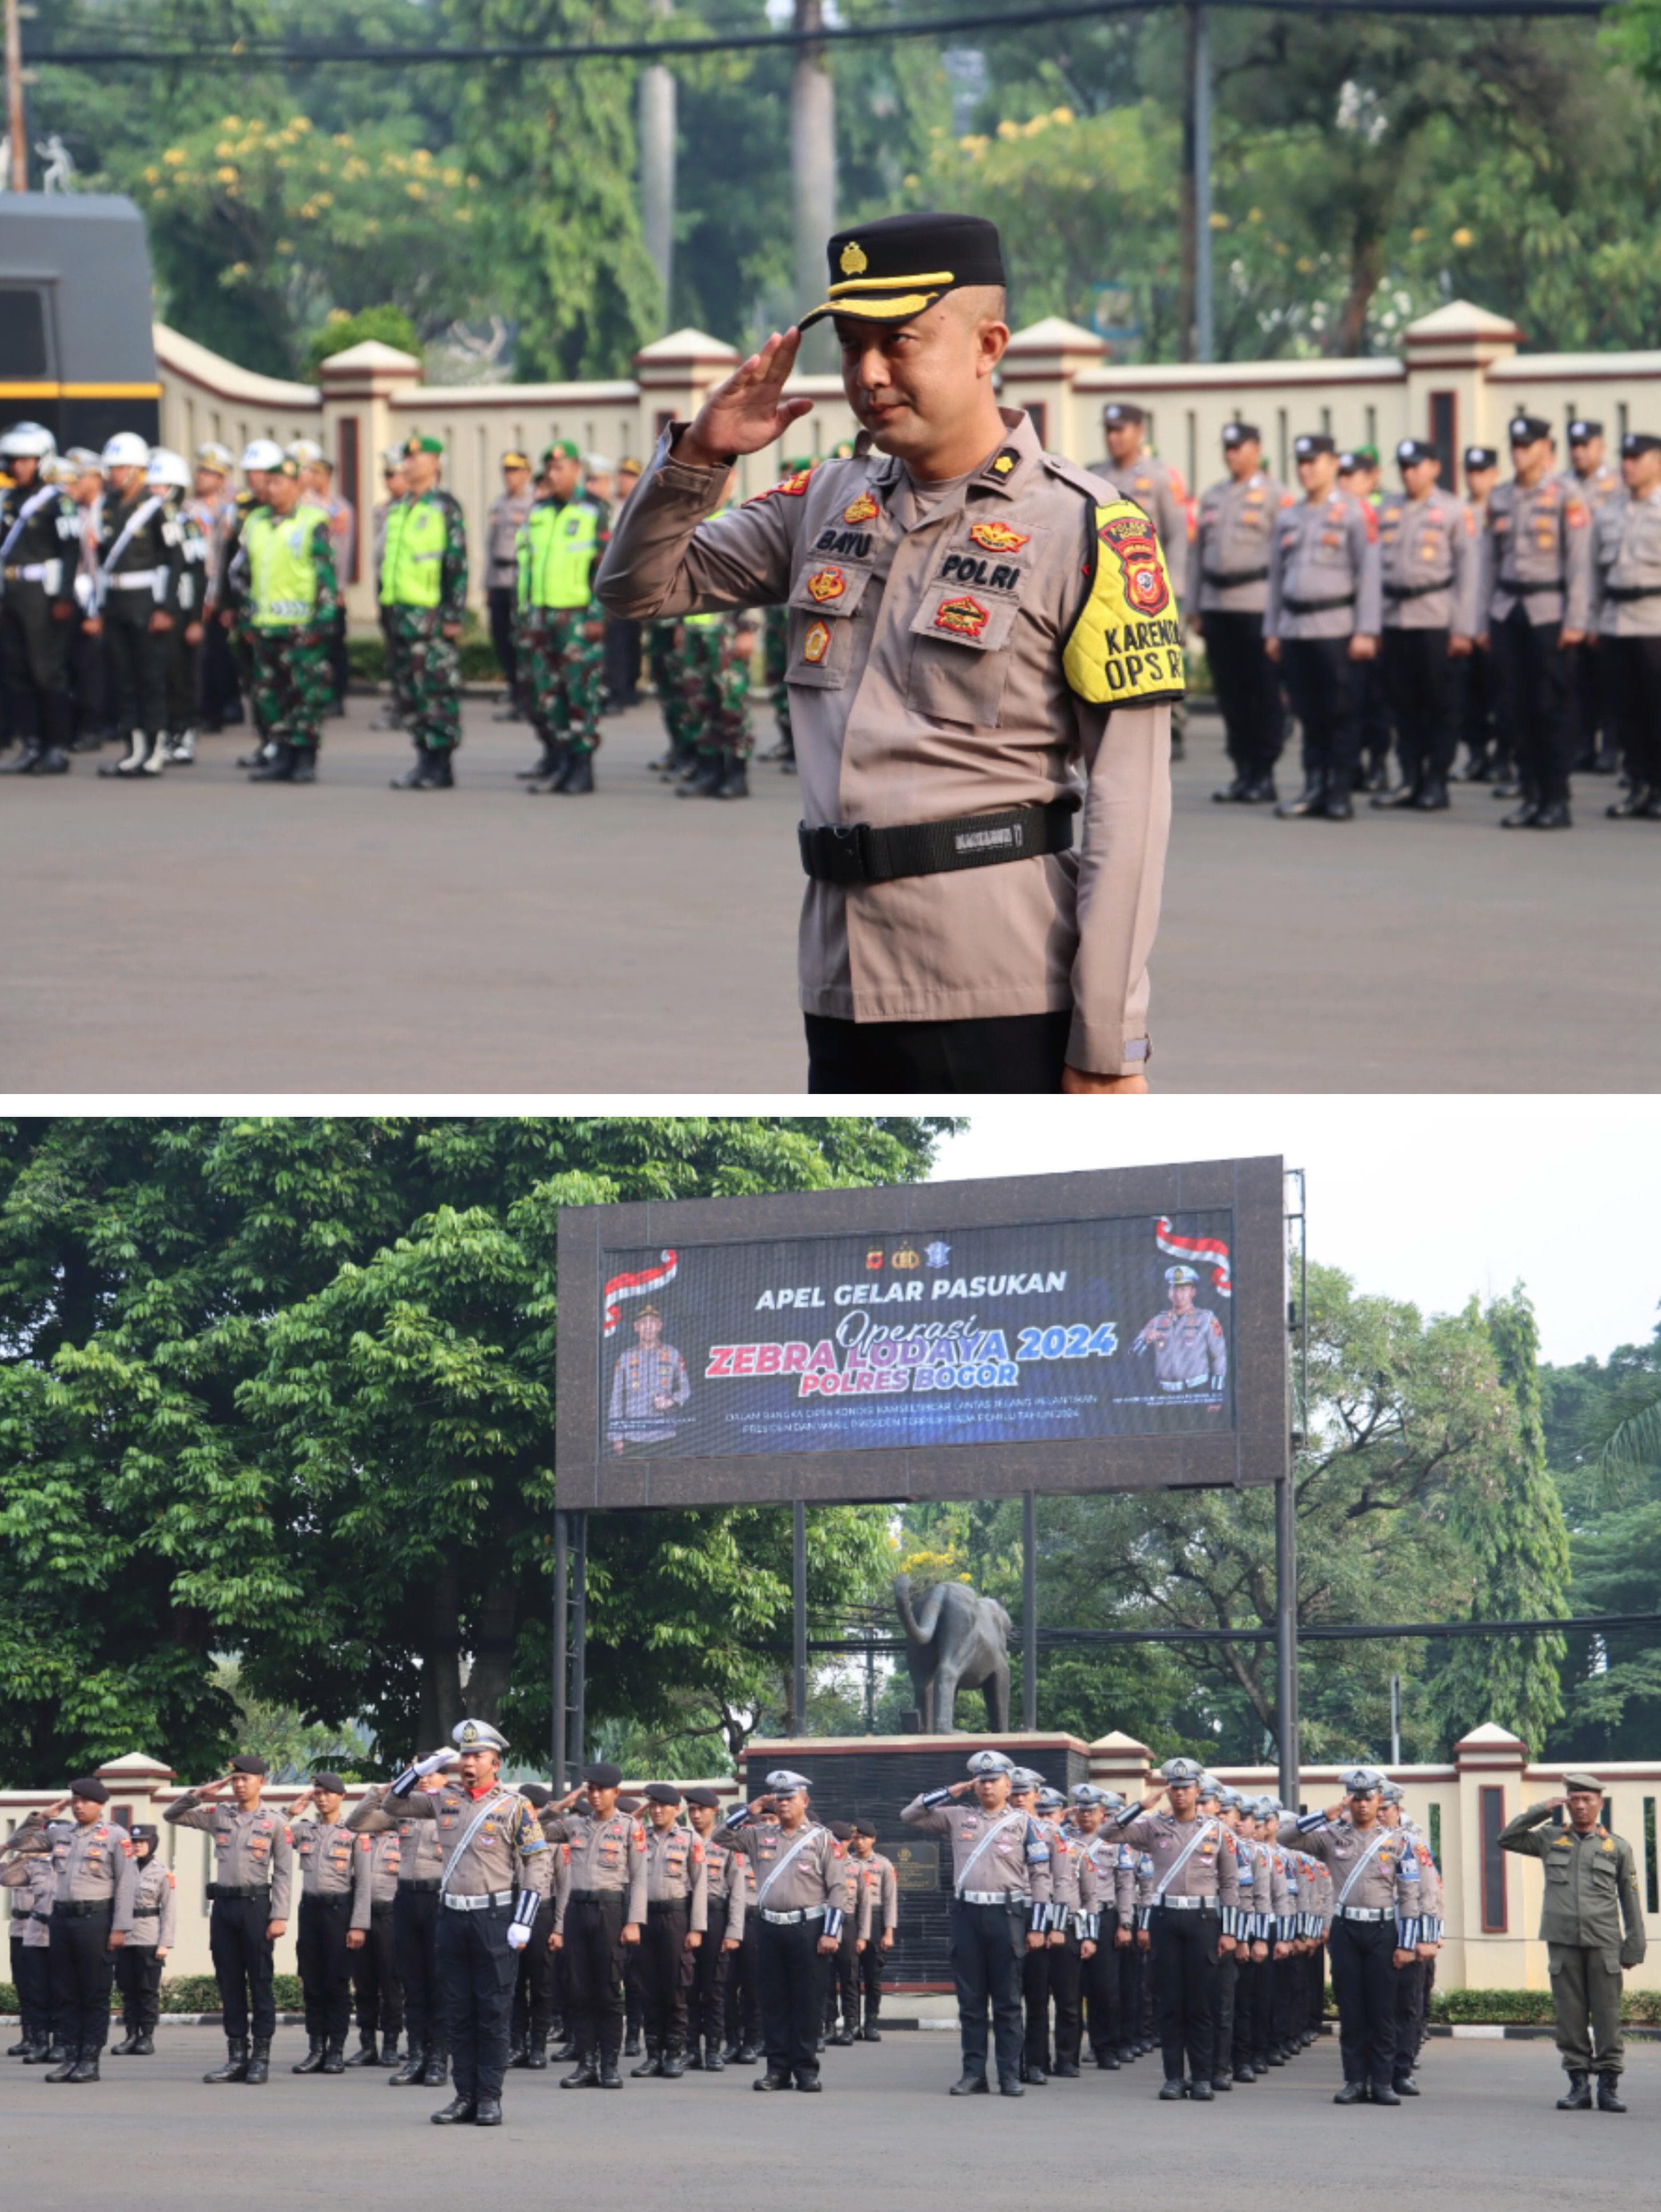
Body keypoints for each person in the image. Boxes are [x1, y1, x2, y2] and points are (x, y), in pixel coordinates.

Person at [597, 211, 1178, 1097]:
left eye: (899, 343)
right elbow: (639, 589)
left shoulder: (1088, 527)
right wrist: (701, 454)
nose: (869, 374)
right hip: (841, 978)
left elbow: (1131, 807)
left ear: (988, 345)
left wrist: (1107, 1042)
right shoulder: (825, 500)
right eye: (854, 346)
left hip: (1000, 979)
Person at [383, 1717, 552, 2126]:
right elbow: (392, 1805)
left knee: (493, 2011)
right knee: (457, 2010)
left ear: (496, 1763)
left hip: (495, 1917)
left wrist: (525, 1919)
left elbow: (537, 1861)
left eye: (478, 1756)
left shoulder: (514, 1806)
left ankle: (490, 2098)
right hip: (452, 1916)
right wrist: (418, 1772)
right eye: (465, 1755)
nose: (469, 1763)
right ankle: (464, 2096)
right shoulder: (444, 1798)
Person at [901, 1748, 1052, 2097]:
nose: (986, 1787)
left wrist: (1037, 1926)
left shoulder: (1026, 1824)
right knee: (971, 2002)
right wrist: (954, 1790)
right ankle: (973, 2074)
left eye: (993, 1780)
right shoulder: (957, 1817)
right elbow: (910, 1815)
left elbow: (1041, 1877)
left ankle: (1010, 2075)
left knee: (1008, 2001)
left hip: (1007, 1914)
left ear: (1007, 1785)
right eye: (981, 1781)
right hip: (967, 1914)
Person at [1499, 1771, 1646, 2111]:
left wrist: (1634, 1944)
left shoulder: (1617, 1847)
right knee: (1570, 2016)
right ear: (1567, 1803)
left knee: (1608, 2015)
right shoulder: (1550, 1839)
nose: (1580, 1806)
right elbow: (1506, 1838)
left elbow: (1631, 1898)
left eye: (1587, 1800)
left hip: (1604, 1941)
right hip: (1563, 1941)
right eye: (1574, 1799)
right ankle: (1578, 2085)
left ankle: (1609, 2086)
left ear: (1600, 1804)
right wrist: (1541, 1810)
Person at [1477, 416, 1593, 829]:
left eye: (1528, 445)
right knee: (1516, 708)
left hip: (1549, 611)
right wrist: (1481, 620)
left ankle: (1556, 797)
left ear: (1547, 449)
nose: (1520, 452)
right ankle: (1530, 795)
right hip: (1509, 610)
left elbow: (1580, 563)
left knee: (1552, 706)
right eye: (1515, 445)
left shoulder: (1567, 495)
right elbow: (1487, 563)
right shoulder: (1501, 497)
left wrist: (1576, 619)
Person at [1283, 1765, 1421, 2105]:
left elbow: (1410, 1895)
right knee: (1352, 2008)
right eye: (1356, 1799)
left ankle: (1384, 2082)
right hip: (1346, 1929)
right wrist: (1324, 1814)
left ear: (1379, 1802)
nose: (1362, 1805)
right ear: (1349, 1802)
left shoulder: (1398, 1841)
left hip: (1383, 1930)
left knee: (1383, 2008)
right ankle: (1355, 2081)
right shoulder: (1331, 1837)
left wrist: (1408, 1943)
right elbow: (1286, 1838)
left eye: (1369, 1799)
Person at [1108, 1756, 1241, 2100]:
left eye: (1186, 1788)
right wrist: (1142, 1805)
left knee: (1201, 2002)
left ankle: (1201, 2077)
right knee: (1169, 2001)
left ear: (1198, 1790)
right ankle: (1172, 2077)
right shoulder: (1154, 1827)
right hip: (1166, 1920)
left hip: (1203, 1920)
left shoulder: (1217, 1831)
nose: (1180, 1794)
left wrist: (1230, 1931)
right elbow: (1109, 1832)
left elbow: (1230, 1884)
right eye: (1174, 1788)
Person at [1265, 432, 1382, 821]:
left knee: (1342, 712)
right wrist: (1273, 630)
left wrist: (1367, 630)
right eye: (1301, 462)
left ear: (1333, 464)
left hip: (1338, 627)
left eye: (1314, 461)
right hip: (1296, 629)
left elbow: (1369, 574)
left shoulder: (1355, 512)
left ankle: (1339, 791)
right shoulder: (1289, 515)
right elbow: (1277, 579)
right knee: (1308, 713)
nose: (1306, 469)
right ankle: (1314, 786)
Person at [164, 1754, 294, 2084]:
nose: (239, 1785)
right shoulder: (219, 1815)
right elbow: (173, 1815)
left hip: (257, 1907)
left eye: (245, 1779)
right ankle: (236, 2056)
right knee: (230, 1981)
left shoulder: (275, 1822)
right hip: (224, 1908)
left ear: (261, 1782)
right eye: (234, 1779)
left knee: (260, 1981)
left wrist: (279, 1916)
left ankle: (260, 2058)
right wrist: (201, 1793)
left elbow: (282, 1874)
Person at [721, 1769, 848, 2092]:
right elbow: (719, 1837)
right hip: (769, 1928)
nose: (783, 1805)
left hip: (809, 1928)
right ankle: (777, 2069)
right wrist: (753, 1808)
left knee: (806, 2002)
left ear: (805, 1801)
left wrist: (831, 1933)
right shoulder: (760, 1835)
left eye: (790, 1798)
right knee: (773, 2001)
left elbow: (837, 1889)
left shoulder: (822, 1840)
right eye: (778, 1800)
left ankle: (806, 2069)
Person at [2, 1779, 136, 2084]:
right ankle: (71, 2056)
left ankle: (89, 2059)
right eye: (75, 1800)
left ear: (100, 1804)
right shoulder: (60, 1834)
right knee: (65, 1992)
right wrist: (42, 1817)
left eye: (85, 1801)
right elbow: (19, 1842)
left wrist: (120, 1927)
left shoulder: (116, 1837)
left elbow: (127, 1884)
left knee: (93, 1992)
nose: (78, 1805)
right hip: (61, 1920)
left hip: (96, 1920)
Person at [1374, 438, 1477, 811]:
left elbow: (1470, 571)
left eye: (1416, 466)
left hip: (1436, 618)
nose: (1409, 473)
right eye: (1403, 467)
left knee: (1439, 705)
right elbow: (1373, 572)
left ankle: (1436, 779)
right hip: (1395, 618)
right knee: (1402, 705)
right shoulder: (1388, 508)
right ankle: (1409, 777)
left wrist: (1463, 627)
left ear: (1434, 467)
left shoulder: (1452, 510)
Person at [1190, 422, 1289, 804]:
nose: (1231, 454)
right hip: (1218, 605)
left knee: (1262, 693)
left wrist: (1279, 617)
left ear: (1257, 449)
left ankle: (1264, 772)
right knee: (1231, 696)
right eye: (1227, 447)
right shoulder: (1214, 496)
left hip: (1256, 605)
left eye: (1238, 447)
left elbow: (1285, 562)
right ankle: (1242, 772)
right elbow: (1198, 554)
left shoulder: (1275, 496)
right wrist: (1196, 606)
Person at [232, 455, 341, 784]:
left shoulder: (312, 521)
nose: (271, 488)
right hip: (265, 625)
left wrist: (322, 622)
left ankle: (304, 758)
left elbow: (324, 575)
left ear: (296, 487)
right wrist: (246, 617)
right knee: (268, 694)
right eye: (268, 482)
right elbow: (244, 574)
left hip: (302, 626)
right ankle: (280, 754)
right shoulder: (255, 522)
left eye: (279, 482)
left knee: (304, 694)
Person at [346, 1756, 454, 2087]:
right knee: (413, 1982)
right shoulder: (402, 1811)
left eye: (430, 1773)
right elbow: (356, 1823)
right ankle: (417, 2055)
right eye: (418, 1773)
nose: (423, 1779)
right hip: (406, 1899)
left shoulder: (454, 1809)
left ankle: (438, 2058)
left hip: (440, 1899)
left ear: (445, 1778)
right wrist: (381, 1791)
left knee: (439, 1983)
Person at [542, 1760, 650, 2089]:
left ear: (616, 1792)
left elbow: (640, 1877)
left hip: (611, 1910)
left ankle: (609, 2064)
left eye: (601, 1789)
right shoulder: (574, 1825)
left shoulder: (630, 1827)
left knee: (607, 1991)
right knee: (579, 1989)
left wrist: (634, 1922)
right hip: (577, 1910)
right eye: (590, 1789)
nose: (594, 1795)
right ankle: (586, 2063)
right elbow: (530, 1827)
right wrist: (556, 1807)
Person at [84, 431, 184, 780]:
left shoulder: (159, 508)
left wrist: (165, 608)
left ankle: (156, 748)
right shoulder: (107, 506)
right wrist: (97, 608)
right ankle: (134, 748)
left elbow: (174, 561)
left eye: (121, 466)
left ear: (138, 469)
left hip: (147, 602)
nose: (114, 474)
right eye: (111, 467)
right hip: (116, 602)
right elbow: (100, 562)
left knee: (151, 677)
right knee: (124, 678)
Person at [1097, 400, 1191, 757]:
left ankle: (1174, 724)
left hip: (1154, 589)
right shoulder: (1098, 476)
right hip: (1110, 588)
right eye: (1108, 430)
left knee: (1163, 658)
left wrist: (1176, 587)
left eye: (1120, 430)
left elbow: (1178, 535)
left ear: (1139, 432)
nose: (1113, 437)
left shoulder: (1160, 478)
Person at [516, 439, 610, 792]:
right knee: (548, 695)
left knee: (579, 693)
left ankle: (583, 768)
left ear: (576, 471)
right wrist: (523, 615)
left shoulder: (593, 511)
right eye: (549, 470)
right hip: (540, 618)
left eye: (559, 468)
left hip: (576, 619)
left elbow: (605, 571)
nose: (552, 475)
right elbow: (526, 568)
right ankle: (561, 761)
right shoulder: (538, 513)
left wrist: (597, 616)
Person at [382, 433, 468, 790]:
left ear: (435, 464)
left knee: (436, 690)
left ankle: (441, 764)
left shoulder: (445, 507)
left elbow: (456, 564)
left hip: (431, 618)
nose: (409, 463)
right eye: (407, 457)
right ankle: (422, 759)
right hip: (400, 614)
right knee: (411, 693)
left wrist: (453, 615)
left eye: (418, 458)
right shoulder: (400, 507)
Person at [0, 420, 80, 776]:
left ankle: (56, 745)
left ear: (43, 460)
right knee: (16, 672)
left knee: (47, 671)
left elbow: (70, 550)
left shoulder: (57, 502)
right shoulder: (8, 500)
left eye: (26, 459)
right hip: (11, 591)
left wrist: (64, 596)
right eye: (14, 459)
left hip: (42, 594)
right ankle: (31, 743)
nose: (19, 466)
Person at [1592, 431, 1661, 819]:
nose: (1628, 465)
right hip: (1617, 622)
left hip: (1656, 621)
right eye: (1626, 457)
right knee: (1626, 711)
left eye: (1637, 457)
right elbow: (1593, 574)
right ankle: (1638, 785)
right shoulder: (1609, 511)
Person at [286, 1773, 365, 2076]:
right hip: (311, 1911)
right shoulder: (305, 1831)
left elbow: (364, 1884)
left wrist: (358, 1925)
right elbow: (273, 1834)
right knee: (312, 1982)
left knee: (336, 1983)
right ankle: (315, 2049)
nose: (322, 1798)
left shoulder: (354, 1833)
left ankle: (336, 2050)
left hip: (339, 1912)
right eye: (317, 1793)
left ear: (341, 1797)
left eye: (328, 1793)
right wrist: (292, 1811)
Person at [1560, 419, 1623, 775]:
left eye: (1586, 444)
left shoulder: (1616, 485)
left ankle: (1611, 748)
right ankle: (1583, 743)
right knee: (1577, 679)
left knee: (1611, 678)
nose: (1580, 451)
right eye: (1575, 445)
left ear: (1600, 446)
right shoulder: (1561, 486)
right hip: (1572, 594)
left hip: (1606, 591)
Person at [631, 1782, 706, 2077]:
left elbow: (700, 1885)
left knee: (676, 1986)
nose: (658, 1810)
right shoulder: (639, 1838)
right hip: (645, 1917)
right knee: (647, 1987)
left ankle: (674, 2053)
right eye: (653, 1805)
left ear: (677, 1810)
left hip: (676, 1917)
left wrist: (697, 1927)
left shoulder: (690, 1839)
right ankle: (653, 2054)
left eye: (664, 1806)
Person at [147, 447, 208, 767]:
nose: (152, 493)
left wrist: (195, 619)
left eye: (157, 486)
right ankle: (164, 731)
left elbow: (198, 574)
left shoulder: (187, 525)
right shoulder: (146, 523)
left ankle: (184, 732)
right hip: (155, 606)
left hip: (182, 610)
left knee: (180, 673)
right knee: (157, 673)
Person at [683, 1785, 746, 2068]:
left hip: (716, 1916)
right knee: (687, 1986)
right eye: (692, 1810)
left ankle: (712, 2050)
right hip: (684, 1916)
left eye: (701, 1810)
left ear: (714, 1812)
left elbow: (738, 1891)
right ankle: (691, 2049)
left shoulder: (728, 1844)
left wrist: (734, 1931)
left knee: (715, 1988)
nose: (696, 1816)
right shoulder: (681, 1841)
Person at [1455, 446, 1503, 781]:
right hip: (1464, 618)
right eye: (1470, 472)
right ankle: (1476, 754)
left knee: (1501, 694)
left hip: (1496, 616)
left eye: (1482, 471)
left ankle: (1503, 757)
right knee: (1467, 696)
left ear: (1494, 474)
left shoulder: (1504, 509)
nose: (1475, 478)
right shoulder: (1458, 512)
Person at [189, 442, 242, 732]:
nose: (202, 478)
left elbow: (229, 556)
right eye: (201, 471)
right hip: (195, 587)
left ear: (223, 478)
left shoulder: (231, 509)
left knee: (217, 652)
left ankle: (219, 708)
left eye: (210, 473)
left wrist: (223, 598)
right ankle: (204, 707)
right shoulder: (188, 506)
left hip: (218, 590)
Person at [2, 1809, 62, 2061]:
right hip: (23, 1931)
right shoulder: (25, 1865)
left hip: (52, 1932)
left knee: (56, 1989)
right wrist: (17, 1852)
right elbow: (5, 1877)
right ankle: (32, 2037)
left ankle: (57, 2039)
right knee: (27, 1987)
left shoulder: (60, 1867)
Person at [346, 1812, 404, 2069]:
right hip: (360, 1917)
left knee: (391, 1982)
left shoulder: (402, 1840)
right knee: (364, 1983)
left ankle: (390, 2044)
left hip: (391, 1916)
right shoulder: (356, 1839)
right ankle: (367, 2045)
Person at [110, 1824, 174, 2057]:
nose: (138, 1846)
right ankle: (131, 2036)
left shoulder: (162, 1873)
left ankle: (146, 2037)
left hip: (149, 1936)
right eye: (134, 1842)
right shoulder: (123, 1869)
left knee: (147, 1991)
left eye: (142, 1842)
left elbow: (169, 1910)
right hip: (125, 1937)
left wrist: (164, 1943)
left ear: (153, 1843)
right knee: (128, 1990)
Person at [484, 451, 534, 720]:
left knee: (521, 642)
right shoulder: (498, 505)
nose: (510, 476)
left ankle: (526, 698)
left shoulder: (533, 503)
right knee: (501, 640)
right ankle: (514, 690)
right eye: (506, 471)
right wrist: (486, 584)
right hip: (499, 581)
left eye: (515, 471)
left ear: (526, 473)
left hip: (520, 581)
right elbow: (489, 546)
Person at [607, 1303, 691, 1452]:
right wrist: (617, 1437)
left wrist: (670, 1401)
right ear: (636, 1327)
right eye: (643, 1323)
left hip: (664, 1434)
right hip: (633, 1435)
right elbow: (617, 1398)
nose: (648, 1327)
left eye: (652, 1322)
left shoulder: (672, 1354)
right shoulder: (625, 1358)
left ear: (659, 1326)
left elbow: (686, 1389)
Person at [1133, 1263, 1227, 1394]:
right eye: (1174, 1289)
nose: (1178, 1294)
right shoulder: (1158, 1320)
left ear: (1193, 1292)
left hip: (1197, 1389)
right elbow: (1133, 1353)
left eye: (1183, 1289)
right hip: (1163, 1391)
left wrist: (1217, 1393)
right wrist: (1146, 1340)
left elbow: (1220, 1355)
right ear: (1169, 1293)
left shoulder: (1206, 1318)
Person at [602, 457, 645, 712]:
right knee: (616, 638)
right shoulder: (610, 507)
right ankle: (617, 690)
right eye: (622, 475)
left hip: (634, 580)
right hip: (613, 580)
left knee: (630, 637)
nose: (624, 480)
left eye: (630, 476)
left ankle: (629, 687)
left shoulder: (642, 505)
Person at [848, 1819, 896, 2039]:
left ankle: (871, 2023)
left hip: (876, 1919)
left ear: (873, 1839)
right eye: (856, 1838)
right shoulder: (846, 1863)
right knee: (851, 1974)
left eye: (864, 1838)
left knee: (872, 1976)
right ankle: (853, 2024)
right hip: (852, 1918)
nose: (859, 1842)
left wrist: (889, 1932)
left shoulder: (884, 1865)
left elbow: (890, 1900)